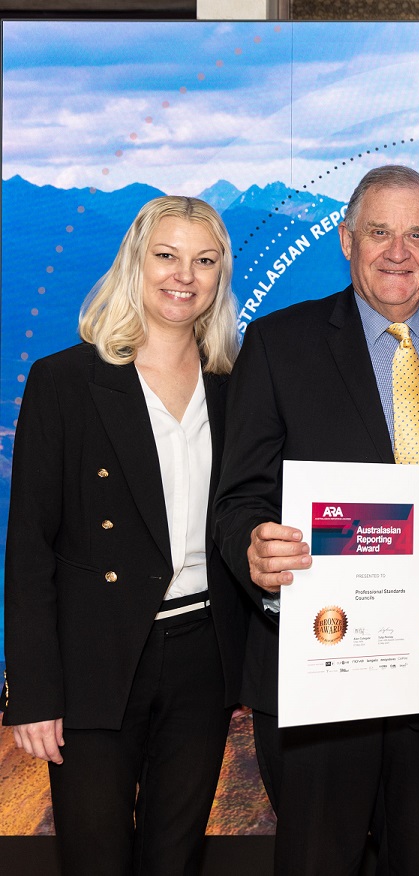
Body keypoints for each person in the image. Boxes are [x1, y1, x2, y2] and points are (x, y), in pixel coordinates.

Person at [212, 164, 419, 875]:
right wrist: (253, 549)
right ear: (345, 240)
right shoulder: (276, 346)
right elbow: (239, 495)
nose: (399, 252)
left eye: (417, 235)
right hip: (316, 668)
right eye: (380, 232)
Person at [2, 196, 246, 874]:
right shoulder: (65, 382)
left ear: (220, 275)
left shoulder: (236, 384)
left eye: (204, 260)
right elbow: (28, 549)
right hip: (94, 659)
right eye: (166, 255)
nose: (184, 275)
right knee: (95, 857)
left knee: (174, 858)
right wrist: (34, 692)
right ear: (135, 262)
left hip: (203, 653)